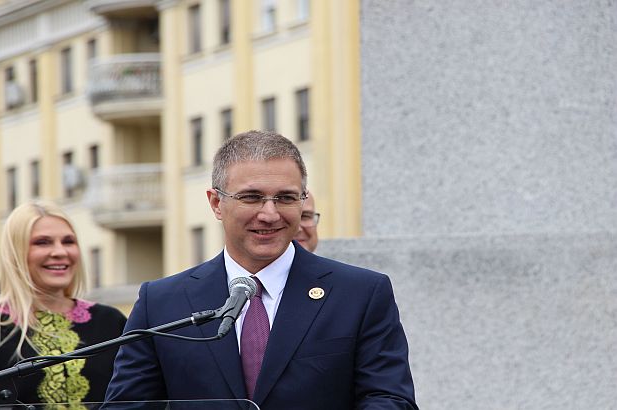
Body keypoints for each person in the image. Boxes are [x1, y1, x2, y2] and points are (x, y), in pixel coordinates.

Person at [105, 130, 417, 409]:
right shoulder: (161, 303)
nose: (269, 214)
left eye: (285, 198)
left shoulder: (359, 294)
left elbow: (390, 399)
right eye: (251, 197)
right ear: (216, 203)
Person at [0, 200, 126, 408]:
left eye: (68, 241)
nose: (60, 251)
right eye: (43, 242)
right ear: (16, 253)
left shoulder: (110, 322)